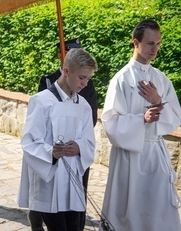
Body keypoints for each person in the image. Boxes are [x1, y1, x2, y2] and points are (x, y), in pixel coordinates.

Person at [100, 19, 181, 231]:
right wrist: (140, 120)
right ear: (136, 43)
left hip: (155, 154)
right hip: (130, 157)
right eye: (149, 43)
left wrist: (157, 101)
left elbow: (175, 116)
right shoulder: (121, 79)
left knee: (158, 211)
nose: (155, 49)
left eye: (158, 43)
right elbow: (110, 122)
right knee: (130, 213)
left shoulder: (161, 80)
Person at [17, 48, 97, 231]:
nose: (85, 83)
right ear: (66, 70)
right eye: (82, 77)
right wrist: (50, 152)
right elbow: (29, 142)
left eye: (88, 79)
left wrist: (79, 147)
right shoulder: (41, 101)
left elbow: (89, 141)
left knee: (74, 227)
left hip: (73, 181)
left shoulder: (83, 105)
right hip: (50, 181)